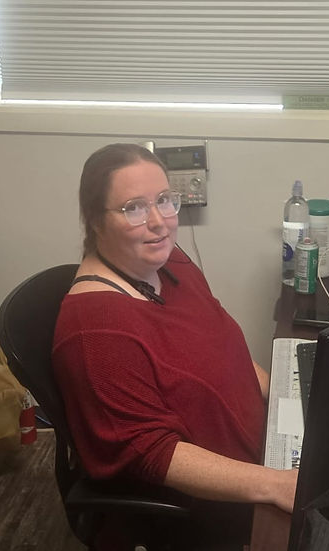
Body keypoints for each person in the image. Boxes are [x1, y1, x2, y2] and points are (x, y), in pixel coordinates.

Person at [52, 143, 298, 546]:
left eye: (165, 200)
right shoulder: (95, 332)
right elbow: (153, 453)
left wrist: (290, 399)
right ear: (96, 220)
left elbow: (222, 345)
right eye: (133, 207)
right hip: (215, 501)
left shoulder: (169, 263)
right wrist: (276, 485)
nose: (159, 223)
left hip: (267, 453)